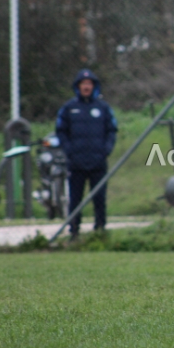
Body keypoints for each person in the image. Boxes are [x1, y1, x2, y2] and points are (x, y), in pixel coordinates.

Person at [56, 69, 118, 240]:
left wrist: (106, 150)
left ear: (94, 86)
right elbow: (61, 131)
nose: (86, 87)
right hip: (76, 162)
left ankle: (100, 231)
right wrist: (69, 151)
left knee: (99, 199)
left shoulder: (103, 108)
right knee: (75, 199)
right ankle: (74, 231)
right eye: (83, 84)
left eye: (89, 84)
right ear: (78, 86)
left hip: (98, 162)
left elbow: (112, 130)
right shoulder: (69, 108)